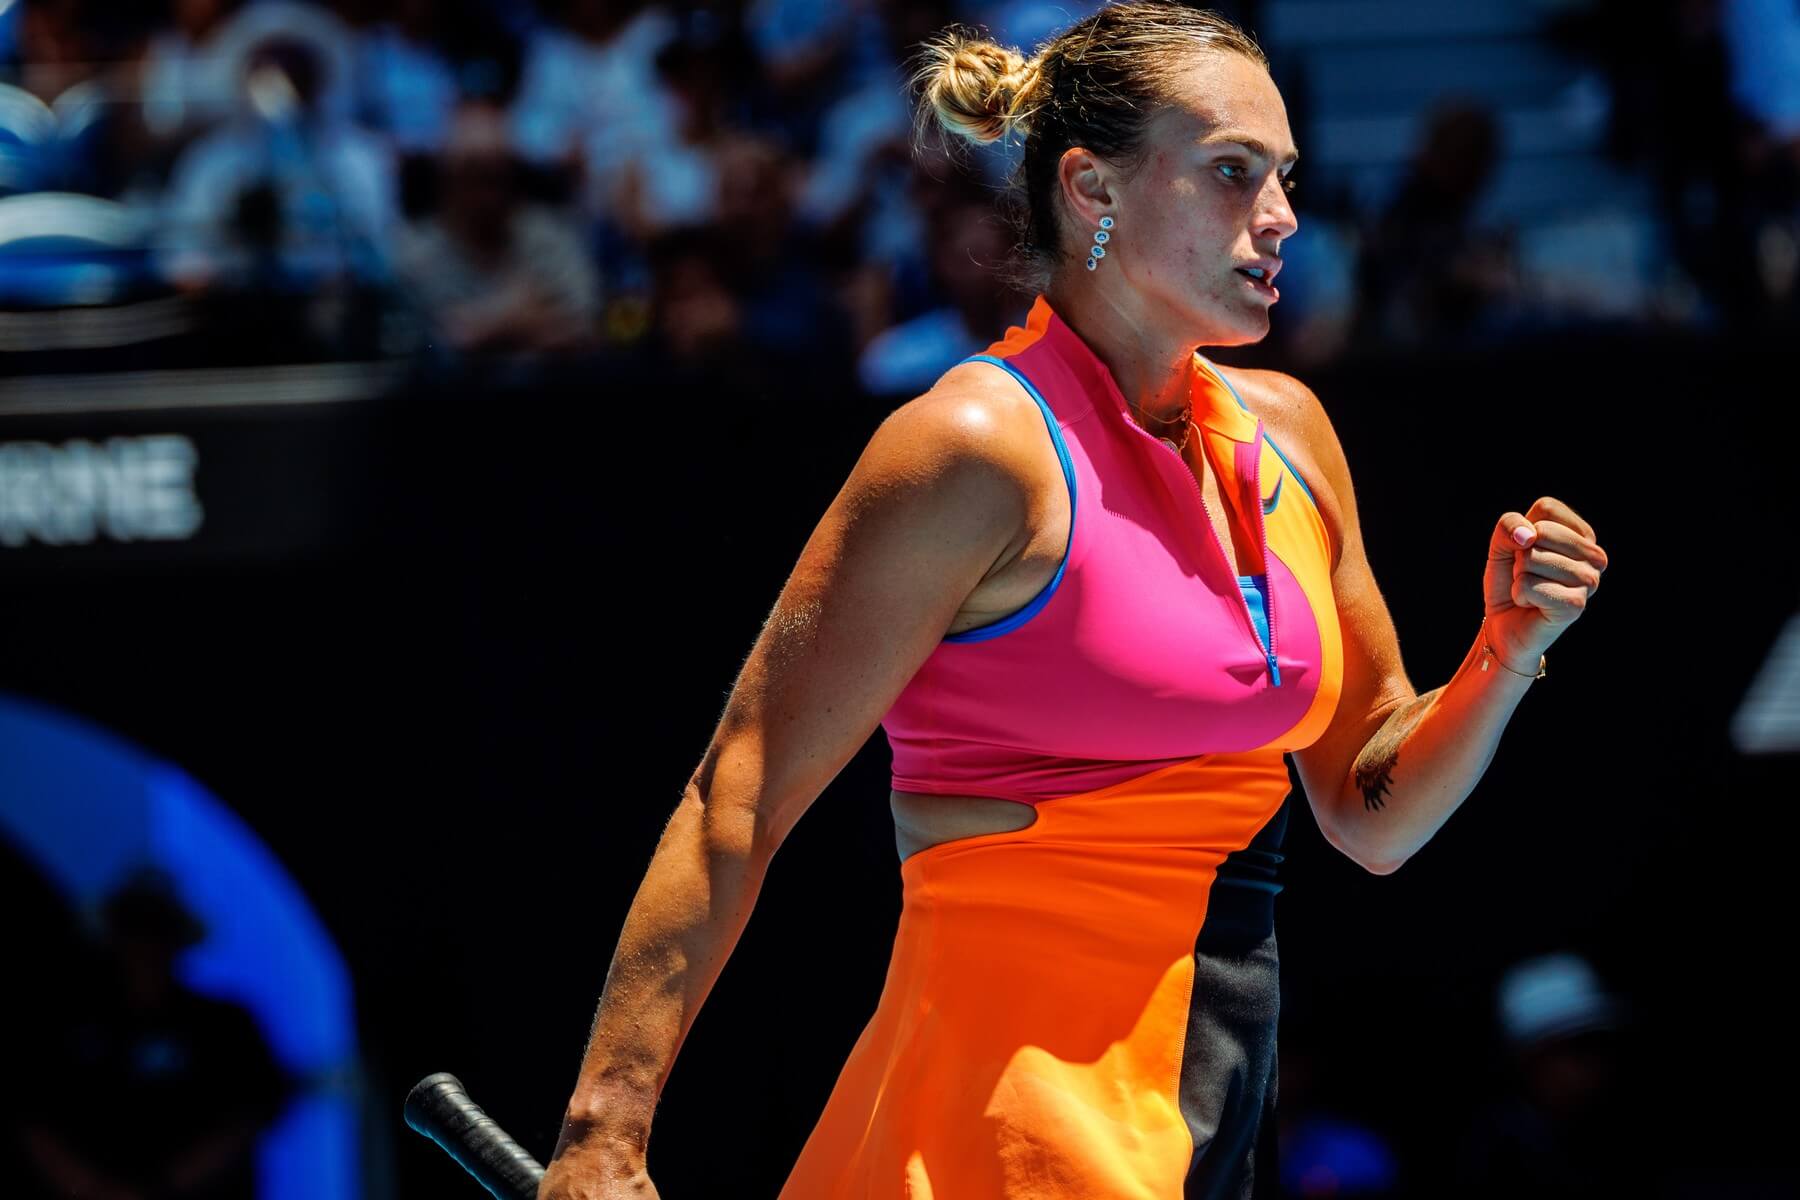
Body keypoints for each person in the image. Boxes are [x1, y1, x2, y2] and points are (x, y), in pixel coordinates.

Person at [537, 5, 1611, 1197]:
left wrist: (1505, 654)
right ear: (1092, 188)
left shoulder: (1295, 436)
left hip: (1200, 1126)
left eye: (1285, 176)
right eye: (1233, 172)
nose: (1281, 216)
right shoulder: (972, 446)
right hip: (997, 1141)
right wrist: (602, 1133)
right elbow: (734, 797)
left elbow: (1373, 816)